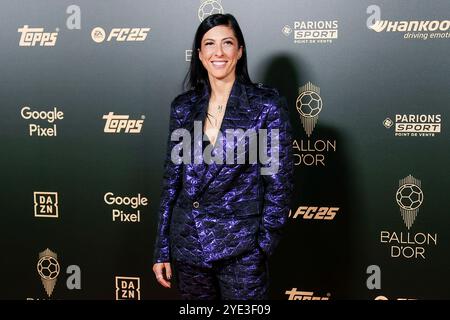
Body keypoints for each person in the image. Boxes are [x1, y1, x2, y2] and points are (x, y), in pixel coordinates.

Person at [152, 13, 294, 300]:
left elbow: (279, 184)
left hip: (241, 250)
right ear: (200, 55)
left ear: (239, 51)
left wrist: (261, 246)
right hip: (189, 245)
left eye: (227, 43)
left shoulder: (266, 106)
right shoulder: (182, 107)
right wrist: (162, 248)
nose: (218, 52)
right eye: (209, 44)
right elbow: (171, 183)